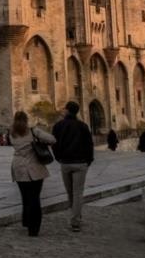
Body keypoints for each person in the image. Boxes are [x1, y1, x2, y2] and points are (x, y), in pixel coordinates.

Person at [10, 111, 56, 237]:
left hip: (18, 167)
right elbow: (52, 139)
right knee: (34, 198)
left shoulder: (11, 133)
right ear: (26, 119)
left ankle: (26, 221)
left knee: (25, 197)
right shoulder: (33, 131)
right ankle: (33, 228)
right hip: (33, 167)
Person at [52, 101, 94, 233]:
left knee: (70, 192)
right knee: (77, 193)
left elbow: (54, 144)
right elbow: (89, 145)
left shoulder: (58, 126)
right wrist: (88, 160)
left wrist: (58, 157)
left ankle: (75, 217)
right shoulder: (83, 126)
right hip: (80, 163)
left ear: (67, 110)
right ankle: (76, 220)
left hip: (65, 163)